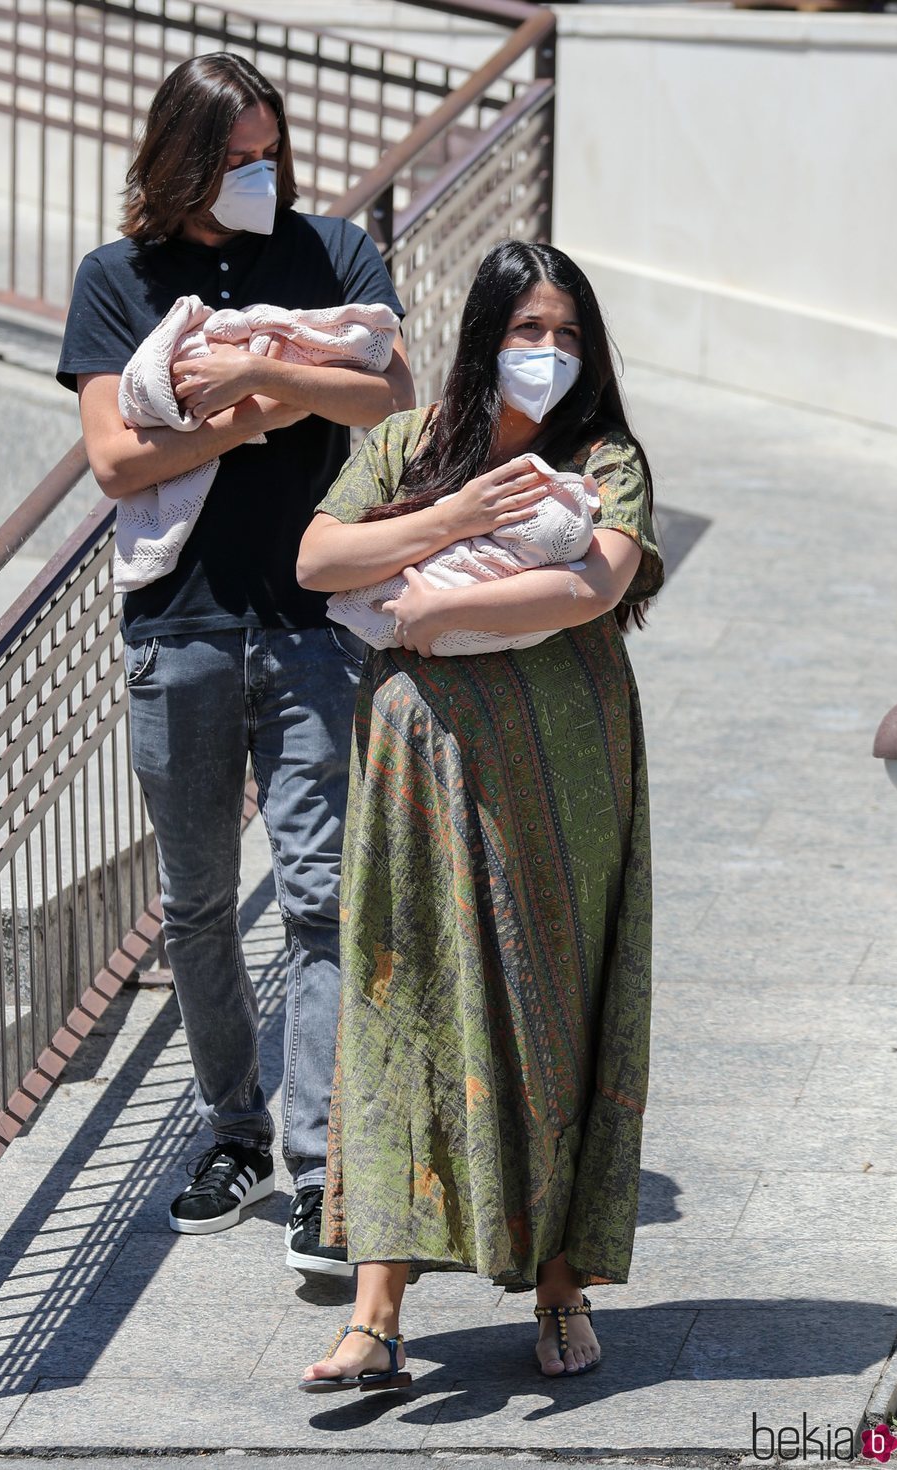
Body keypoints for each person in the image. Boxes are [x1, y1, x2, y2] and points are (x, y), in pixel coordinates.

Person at [55, 52, 413, 1268]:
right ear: (179, 160)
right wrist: (281, 409)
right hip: (181, 629)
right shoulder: (118, 280)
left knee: (316, 896)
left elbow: (393, 396)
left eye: (268, 154)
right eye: (232, 158)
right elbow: (114, 462)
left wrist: (258, 369)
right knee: (199, 905)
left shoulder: (331, 256)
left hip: (315, 625)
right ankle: (232, 1133)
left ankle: (318, 1172)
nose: (256, 176)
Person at [294, 240, 663, 1386]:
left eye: (563, 334)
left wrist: (410, 615)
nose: (544, 354)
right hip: (417, 768)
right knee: (401, 994)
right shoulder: (411, 445)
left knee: (548, 995)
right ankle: (375, 1314)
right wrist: (454, 517)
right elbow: (316, 557)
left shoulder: (601, 455)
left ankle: (557, 1291)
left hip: (563, 773)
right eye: (524, 332)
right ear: (482, 336)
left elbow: (592, 584)